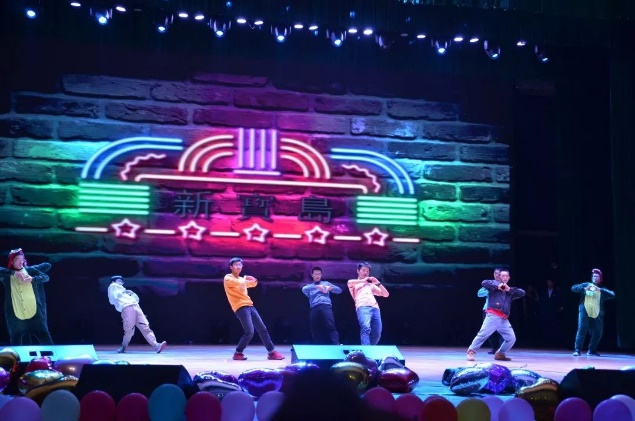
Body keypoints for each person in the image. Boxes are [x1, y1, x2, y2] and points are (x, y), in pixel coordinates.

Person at [223, 257, 284, 361]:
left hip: (250, 305)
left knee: (262, 329)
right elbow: (237, 282)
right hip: (240, 307)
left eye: (240, 265)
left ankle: (272, 352)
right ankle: (238, 353)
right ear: (231, 267)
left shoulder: (241, 280)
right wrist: (245, 279)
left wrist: (253, 280)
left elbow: (253, 284)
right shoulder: (228, 278)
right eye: (236, 265)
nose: (238, 267)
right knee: (249, 332)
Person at [467, 269, 525, 361]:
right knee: (483, 334)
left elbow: (522, 293)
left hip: (503, 319)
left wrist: (509, 289)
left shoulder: (509, 291)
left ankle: (500, 353)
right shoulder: (493, 286)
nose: (504, 277)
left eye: (506, 276)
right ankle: (471, 351)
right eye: (503, 276)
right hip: (493, 316)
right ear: (499, 277)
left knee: (511, 338)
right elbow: (484, 282)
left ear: (509, 278)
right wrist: (497, 286)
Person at [0, 248, 54, 345]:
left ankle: (50, 354)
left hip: (35, 313)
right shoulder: (6, 275)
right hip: (16, 315)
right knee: (16, 340)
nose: (21, 262)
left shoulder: (30, 270)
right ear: (12, 261)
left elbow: (46, 277)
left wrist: (33, 279)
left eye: (22, 259)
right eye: (18, 259)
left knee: (44, 337)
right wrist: (13, 273)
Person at [108, 275, 167, 353]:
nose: (121, 281)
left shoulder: (125, 292)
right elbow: (113, 299)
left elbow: (136, 300)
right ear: (114, 281)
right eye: (118, 280)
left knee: (145, 327)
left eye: (121, 280)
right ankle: (123, 346)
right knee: (129, 330)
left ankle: (156, 345)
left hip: (136, 307)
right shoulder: (113, 286)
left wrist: (132, 293)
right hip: (127, 307)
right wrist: (123, 292)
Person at [571, 268, 615, 357]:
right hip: (585, 310)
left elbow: (612, 295)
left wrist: (600, 290)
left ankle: (591, 350)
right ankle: (577, 349)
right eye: (594, 276)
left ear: (600, 278)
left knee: (598, 331)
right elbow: (573, 288)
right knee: (582, 328)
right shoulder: (587, 284)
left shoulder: (601, 289)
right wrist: (584, 288)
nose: (595, 278)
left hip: (596, 312)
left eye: (597, 276)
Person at [347, 262, 389, 345]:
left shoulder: (370, 285)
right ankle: (366, 350)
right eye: (363, 270)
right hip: (363, 307)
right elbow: (349, 282)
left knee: (377, 333)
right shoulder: (354, 284)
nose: (366, 272)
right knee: (366, 328)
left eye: (367, 271)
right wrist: (363, 281)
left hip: (375, 308)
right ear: (358, 271)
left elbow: (386, 294)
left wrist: (378, 283)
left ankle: (369, 349)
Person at [302, 267, 342, 345]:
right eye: (315, 274)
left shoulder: (326, 283)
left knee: (330, 325)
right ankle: (318, 345)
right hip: (314, 307)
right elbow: (304, 289)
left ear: (321, 275)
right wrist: (317, 287)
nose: (317, 276)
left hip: (326, 306)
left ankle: (336, 344)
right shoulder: (310, 286)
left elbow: (339, 290)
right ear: (312, 275)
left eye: (319, 274)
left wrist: (330, 288)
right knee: (314, 327)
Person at [477, 268, 504, 354]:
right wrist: (491, 290)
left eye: (499, 274)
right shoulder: (489, 284)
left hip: (501, 310)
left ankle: (501, 350)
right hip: (488, 309)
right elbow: (479, 294)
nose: (497, 275)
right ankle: (495, 348)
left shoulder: (504, 285)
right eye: (495, 273)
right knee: (488, 330)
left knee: (501, 330)